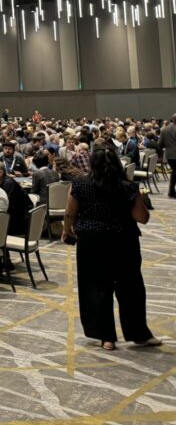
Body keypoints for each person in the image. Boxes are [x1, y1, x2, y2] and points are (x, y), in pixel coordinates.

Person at [62, 149, 161, 350]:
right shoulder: (128, 187)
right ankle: (139, 334)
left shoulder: (80, 184)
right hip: (124, 241)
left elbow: (69, 212)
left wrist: (66, 231)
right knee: (130, 288)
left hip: (91, 242)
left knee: (96, 288)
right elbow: (142, 218)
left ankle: (106, 337)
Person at [0, 159, 33, 237]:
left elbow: (4, 207)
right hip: (11, 218)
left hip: (19, 223)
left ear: (0, 173)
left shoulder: (9, 184)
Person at [159, 114, 176, 198]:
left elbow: (160, 144)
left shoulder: (163, 130)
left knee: (174, 172)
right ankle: (171, 191)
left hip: (169, 155)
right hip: (173, 155)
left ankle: (171, 191)